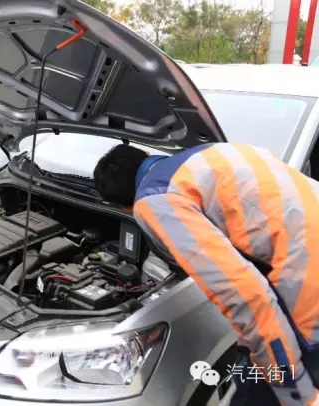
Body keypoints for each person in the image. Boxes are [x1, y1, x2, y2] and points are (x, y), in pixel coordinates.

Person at [93, 142, 319, 406]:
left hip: (307, 280)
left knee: (262, 392)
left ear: (125, 208)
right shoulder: (213, 152)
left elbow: (242, 291)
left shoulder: (155, 200)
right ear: (147, 154)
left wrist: (288, 383)